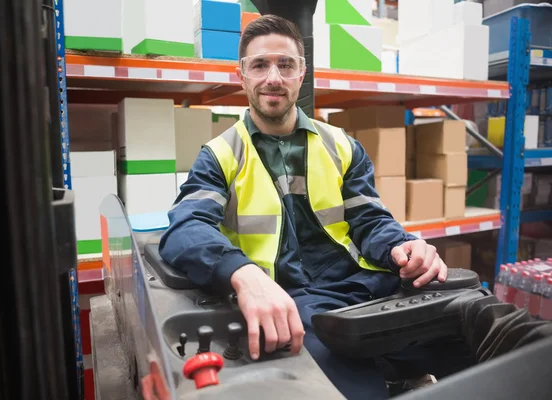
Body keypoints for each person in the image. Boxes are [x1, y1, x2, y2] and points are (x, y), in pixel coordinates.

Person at [160, 14, 473, 398]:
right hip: (289, 301)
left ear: (302, 73)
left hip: (366, 286)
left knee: (471, 327)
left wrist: (400, 247)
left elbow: (369, 219)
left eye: (285, 64)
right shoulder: (221, 155)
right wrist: (243, 274)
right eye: (260, 65)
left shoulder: (341, 144)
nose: (273, 77)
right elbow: (185, 227)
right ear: (241, 74)